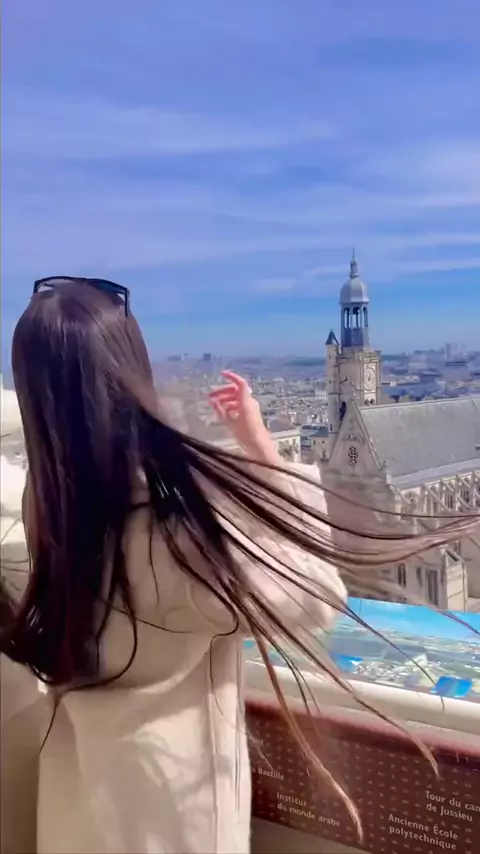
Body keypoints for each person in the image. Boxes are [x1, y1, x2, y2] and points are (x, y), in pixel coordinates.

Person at [0, 277, 477, 854]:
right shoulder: (170, 535)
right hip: (166, 812)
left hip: (75, 793)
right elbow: (317, 596)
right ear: (127, 376)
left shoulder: (45, 505)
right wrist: (262, 449)